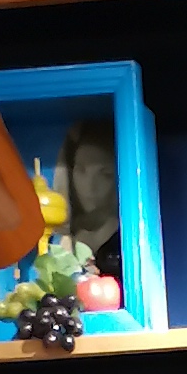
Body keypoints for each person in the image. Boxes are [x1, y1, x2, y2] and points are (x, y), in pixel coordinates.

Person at [57, 120, 122, 294]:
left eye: (105, 175)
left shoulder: (122, 243)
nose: (90, 186)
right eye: (81, 171)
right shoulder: (59, 243)